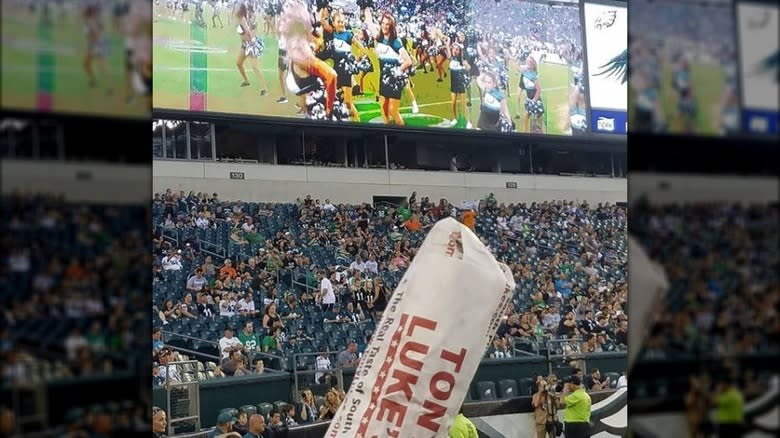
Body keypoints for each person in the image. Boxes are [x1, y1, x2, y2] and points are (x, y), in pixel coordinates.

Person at [278, 0, 338, 120]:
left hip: (317, 118)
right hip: (310, 114)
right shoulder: (296, 44)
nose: (281, 20)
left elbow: (331, 75)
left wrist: (328, 110)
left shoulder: (300, 55)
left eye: (286, 17)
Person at [235, 2, 269, 96]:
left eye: (237, 8)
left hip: (250, 45)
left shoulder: (243, 19)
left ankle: (265, 89)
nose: (235, 9)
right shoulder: (241, 19)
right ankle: (246, 81)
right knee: (239, 63)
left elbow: (250, 32)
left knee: (255, 67)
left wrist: (250, 40)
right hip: (245, 45)